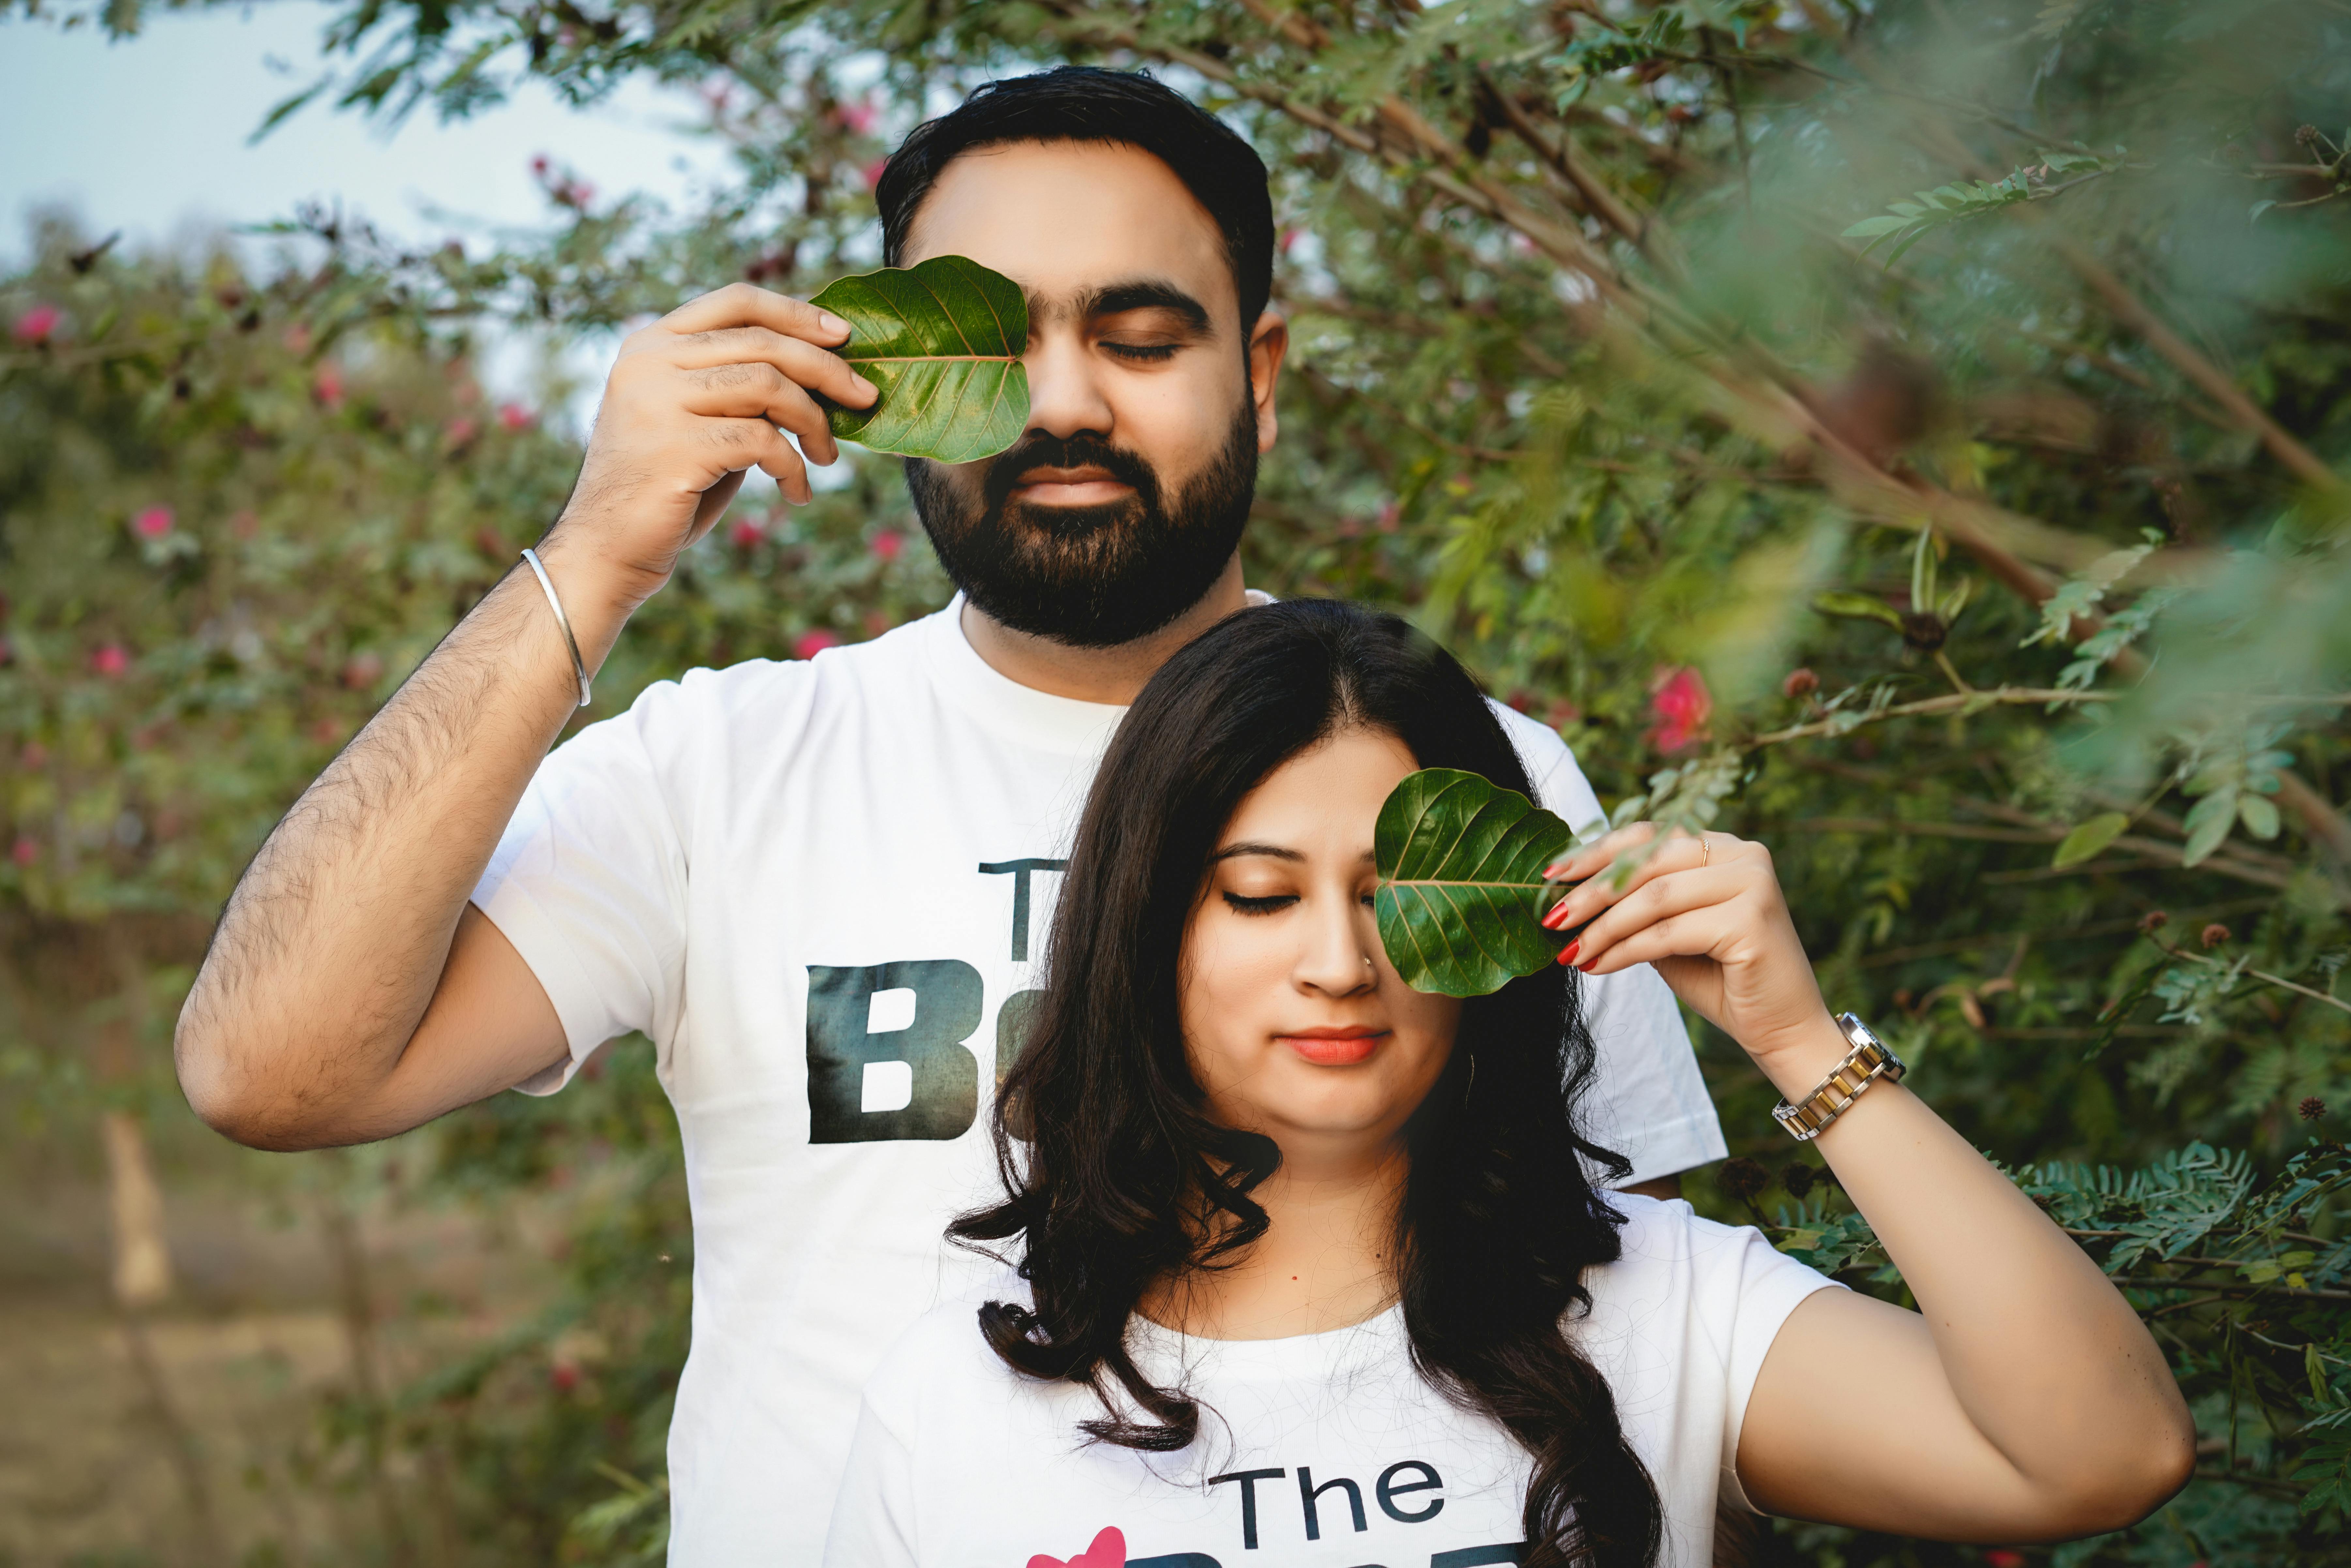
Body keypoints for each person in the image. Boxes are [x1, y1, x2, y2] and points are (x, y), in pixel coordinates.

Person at [171, 70, 1724, 1561]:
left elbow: (1640, 1343)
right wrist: (591, 558)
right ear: (895, 380)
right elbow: (267, 1067)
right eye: (992, 347)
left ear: (1257, 368)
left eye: (1138, 336)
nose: (1063, 402)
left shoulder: (1468, 792)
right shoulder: (720, 771)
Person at [823, 599, 2195, 1568]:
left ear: (1493, 931)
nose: (1338, 963)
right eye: (1258, 894)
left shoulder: (1659, 1310)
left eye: (1398, 898)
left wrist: (1798, 1043)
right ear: (1142, 933)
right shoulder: (957, 1399)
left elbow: (2106, 1453)